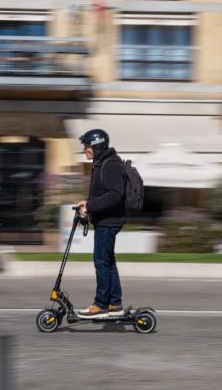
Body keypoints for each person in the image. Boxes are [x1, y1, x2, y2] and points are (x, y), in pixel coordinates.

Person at [76, 129, 126, 318]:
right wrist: (86, 205)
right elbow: (101, 194)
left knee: (101, 262)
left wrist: (90, 205)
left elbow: (115, 194)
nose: (85, 150)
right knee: (108, 261)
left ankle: (101, 304)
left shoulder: (111, 164)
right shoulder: (101, 162)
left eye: (87, 146)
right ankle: (115, 303)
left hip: (109, 221)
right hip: (105, 219)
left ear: (97, 146)